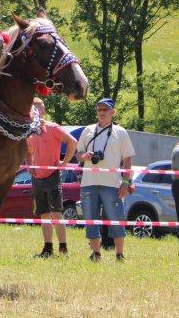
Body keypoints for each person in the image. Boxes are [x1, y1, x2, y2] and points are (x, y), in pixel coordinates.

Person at [76, 98, 135, 262]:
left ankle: (119, 254)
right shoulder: (88, 130)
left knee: (116, 218)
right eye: (99, 109)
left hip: (112, 183)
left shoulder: (121, 132)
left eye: (105, 109)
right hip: (89, 182)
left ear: (113, 112)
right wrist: (84, 156)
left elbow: (128, 159)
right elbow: (78, 154)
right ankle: (96, 253)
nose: (102, 112)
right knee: (90, 219)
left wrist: (126, 182)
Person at [27, 97, 78, 258]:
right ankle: (48, 249)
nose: (33, 114)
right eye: (31, 111)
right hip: (37, 178)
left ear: (43, 112)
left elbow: (73, 142)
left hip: (53, 177)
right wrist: (29, 165)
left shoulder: (53, 127)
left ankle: (63, 249)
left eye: (36, 110)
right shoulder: (29, 131)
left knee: (56, 213)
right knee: (44, 214)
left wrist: (64, 163)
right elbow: (28, 152)